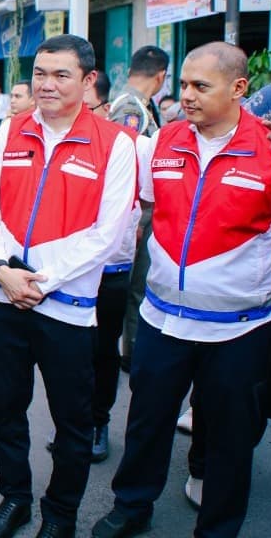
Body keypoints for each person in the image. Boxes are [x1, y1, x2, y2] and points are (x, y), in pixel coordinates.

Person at [92, 42, 271, 538]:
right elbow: (145, 212)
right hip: (163, 319)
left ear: (239, 88)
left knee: (229, 437)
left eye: (200, 86)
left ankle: (218, 527)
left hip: (240, 329)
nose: (186, 96)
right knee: (147, 421)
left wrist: (263, 291)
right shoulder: (166, 141)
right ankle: (131, 507)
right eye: (183, 84)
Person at [0, 34, 137, 538]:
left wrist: (41, 282)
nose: (46, 84)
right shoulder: (11, 129)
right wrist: (2, 268)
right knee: (7, 405)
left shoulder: (116, 144)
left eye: (61, 75)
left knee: (72, 420)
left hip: (67, 309)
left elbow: (107, 234)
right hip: (4, 298)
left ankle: (61, 513)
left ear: (88, 81)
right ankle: (14, 497)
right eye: (39, 73)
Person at [79, 68, 143, 465]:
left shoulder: (133, 145)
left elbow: (151, 205)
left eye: (85, 107)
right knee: (71, 354)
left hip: (112, 273)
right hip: (66, 276)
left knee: (102, 352)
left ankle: (98, 421)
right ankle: (73, 419)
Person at [110, 47, 169, 377]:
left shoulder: (141, 105)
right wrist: (131, 217)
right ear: (161, 76)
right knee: (133, 288)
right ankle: (130, 353)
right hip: (136, 211)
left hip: (142, 210)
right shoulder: (130, 108)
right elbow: (125, 163)